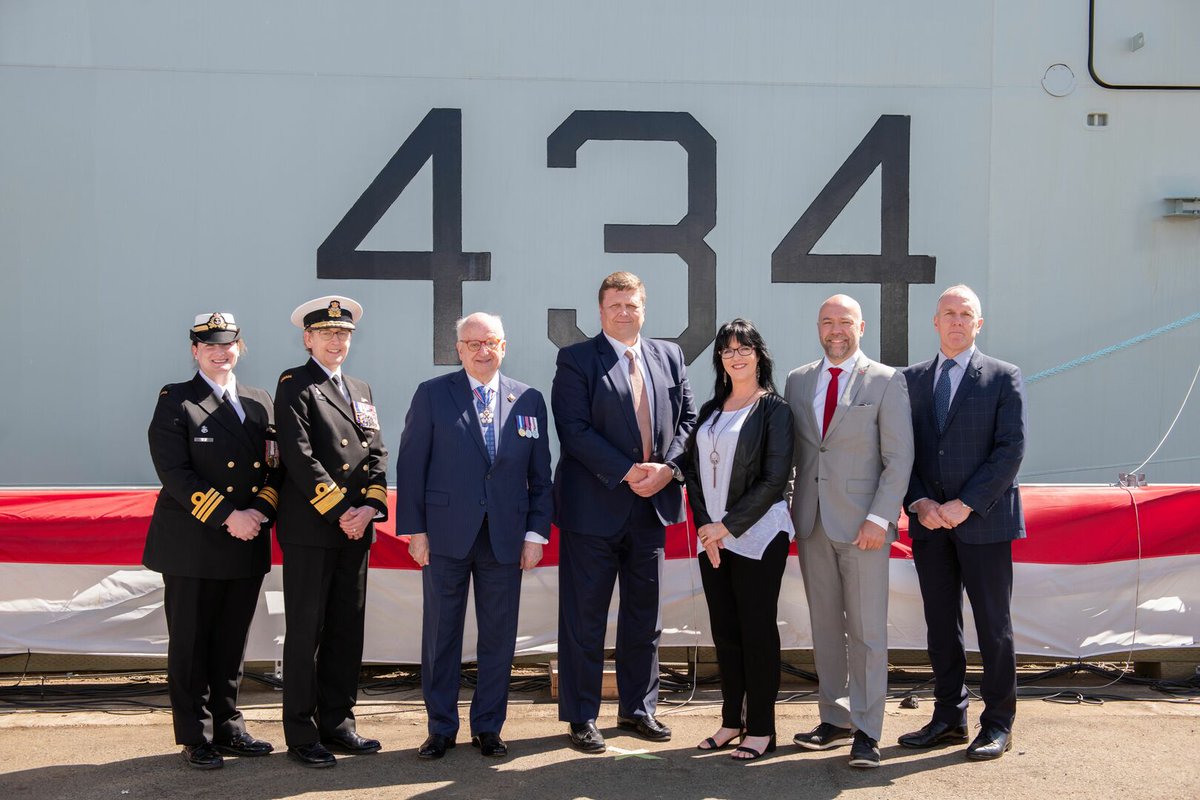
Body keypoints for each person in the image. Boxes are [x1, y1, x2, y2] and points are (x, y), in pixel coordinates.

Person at [395, 312, 553, 760]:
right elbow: (411, 467)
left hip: (505, 538)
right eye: (472, 344)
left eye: (491, 343)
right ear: (458, 349)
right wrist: (415, 530)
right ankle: (440, 728)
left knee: (499, 637)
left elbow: (540, 476)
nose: (483, 351)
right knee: (440, 634)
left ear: (503, 346)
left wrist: (535, 535)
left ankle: (489, 726)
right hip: (445, 537)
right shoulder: (431, 395)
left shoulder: (529, 399)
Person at [552, 271, 697, 752]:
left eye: (631, 305)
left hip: (651, 509)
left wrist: (669, 470)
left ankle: (639, 709)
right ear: (600, 310)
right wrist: (629, 470)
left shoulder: (669, 356)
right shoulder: (575, 359)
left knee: (644, 619)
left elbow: (690, 421)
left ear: (644, 308)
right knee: (584, 619)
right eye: (615, 305)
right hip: (593, 510)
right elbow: (573, 430)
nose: (623, 312)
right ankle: (581, 716)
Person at [144, 312, 283, 769]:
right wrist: (228, 515)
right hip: (194, 543)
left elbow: (275, 467)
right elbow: (174, 473)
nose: (221, 353)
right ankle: (195, 735)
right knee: (190, 642)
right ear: (195, 351)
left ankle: (228, 724)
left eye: (228, 345)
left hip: (247, 539)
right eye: (210, 346)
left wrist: (259, 512)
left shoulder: (259, 399)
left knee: (230, 641)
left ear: (240, 347)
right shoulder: (177, 400)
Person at [784, 294, 914, 769]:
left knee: (866, 632)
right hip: (813, 524)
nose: (835, 330)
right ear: (818, 327)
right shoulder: (799, 381)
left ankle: (868, 730)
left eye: (844, 322)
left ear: (861, 327)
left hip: (865, 529)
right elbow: (797, 453)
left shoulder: (886, 381)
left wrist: (880, 519)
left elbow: (898, 459)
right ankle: (834, 718)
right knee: (824, 628)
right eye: (827, 322)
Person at [897, 285, 1026, 761]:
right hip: (930, 525)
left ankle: (997, 723)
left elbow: (1010, 449)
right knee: (940, 623)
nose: (956, 321)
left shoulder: (1002, 377)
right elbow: (898, 451)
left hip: (985, 522)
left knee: (994, 624)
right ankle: (949, 717)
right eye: (947, 313)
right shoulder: (909, 380)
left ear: (978, 323)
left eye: (965, 313)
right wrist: (920, 502)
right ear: (934, 322)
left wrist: (965, 504)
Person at [274, 295, 390, 768]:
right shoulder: (294, 385)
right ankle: (302, 732)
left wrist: (368, 510)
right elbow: (300, 457)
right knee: (307, 632)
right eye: (327, 333)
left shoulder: (360, 388)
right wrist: (343, 509)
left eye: (343, 334)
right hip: (313, 529)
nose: (336, 341)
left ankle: (339, 723)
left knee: (347, 629)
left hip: (354, 529)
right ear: (308, 339)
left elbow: (377, 454)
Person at [680, 318, 795, 761]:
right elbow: (693, 471)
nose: (736, 355)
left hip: (758, 537)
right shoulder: (711, 409)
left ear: (759, 355)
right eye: (727, 349)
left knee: (757, 631)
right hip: (714, 539)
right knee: (725, 632)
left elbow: (773, 480)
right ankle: (732, 721)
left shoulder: (775, 410)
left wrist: (727, 527)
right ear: (720, 360)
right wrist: (707, 527)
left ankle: (762, 729)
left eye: (744, 347)